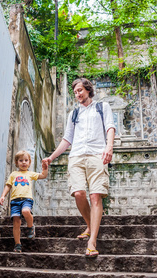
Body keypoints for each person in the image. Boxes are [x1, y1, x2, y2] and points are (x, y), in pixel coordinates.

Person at [42, 78, 115, 258]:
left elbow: (110, 128)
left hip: (97, 154)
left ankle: (92, 242)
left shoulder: (102, 107)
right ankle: (90, 225)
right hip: (76, 156)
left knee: (95, 195)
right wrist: (51, 157)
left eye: (80, 90)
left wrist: (109, 148)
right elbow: (67, 139)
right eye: (75, 92)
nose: (78, 94)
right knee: (79, 193)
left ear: (88, 90)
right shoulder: (73, 114)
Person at [0, 150, 49, 253]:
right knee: (16, 222)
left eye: (26, 160)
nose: (24, 162)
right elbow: (8, 185)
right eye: (21, 160)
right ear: (16, 163)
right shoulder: (14, 174)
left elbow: (43, 176)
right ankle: (17, 244)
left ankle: (30, 227)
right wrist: (3, 196)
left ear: (29, 162)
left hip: (27, 199)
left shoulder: (30, 174)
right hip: (15, 201)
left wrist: (45, 168)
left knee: (26, 211)